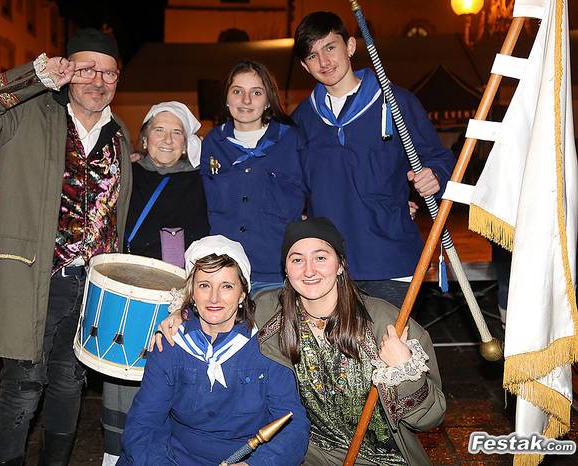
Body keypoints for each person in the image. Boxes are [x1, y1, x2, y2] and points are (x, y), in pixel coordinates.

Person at [0, 28, 132, 466]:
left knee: (70, 383)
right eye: (86, 68)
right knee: (23, 387)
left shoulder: (121, 135)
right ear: (67, 71)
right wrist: (34, 76)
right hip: (35, 277)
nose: (97, 80)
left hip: (92, 285)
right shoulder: (27, 114)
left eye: (108, 72)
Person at [155, 218, 445, 465]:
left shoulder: (385, 322)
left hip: (382, 458)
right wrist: (181, 317)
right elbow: (221, 306)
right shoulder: (269, 312)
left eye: (321, 257)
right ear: (286, 270)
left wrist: (403, 369)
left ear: (340, 265)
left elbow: (430, 418)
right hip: (309, 456)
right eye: (297, 259)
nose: (309, 270)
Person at [291, 12, 456, 306]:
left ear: (350, 46)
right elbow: (292, 186)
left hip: (389, 259)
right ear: (305, 65)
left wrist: (435, 175)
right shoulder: (302, 119)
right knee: (339, 353)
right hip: (328, 269)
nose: (324, 62)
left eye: (330, 47)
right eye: (313, 55)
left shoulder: (395, 102)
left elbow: (440, 159)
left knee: (391, 350)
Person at [120, 235, 309, 466]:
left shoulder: (266, 347)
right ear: (192, 292)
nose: (214, 298)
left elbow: (294, 425)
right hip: (174, 458)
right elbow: (144, 423)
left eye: (226, 286)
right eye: (204, 285)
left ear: (242, 294)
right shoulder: (170, 345)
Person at [102, 101, 210, 464]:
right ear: (144, 138)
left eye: (176, 131)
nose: (167, 139)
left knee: (168, 374)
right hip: (126, 286)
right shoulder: (126, 173)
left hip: (174, 291)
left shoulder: (198, 182)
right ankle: (114, 452)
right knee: (121, 372)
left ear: (186, 141)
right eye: (159, 130)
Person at [200, 60, 307, 294]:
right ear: (226, 99)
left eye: (256, 92)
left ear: (268, 100)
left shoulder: (292, 141)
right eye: (237, 91)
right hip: (225, 272)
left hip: (276, 274)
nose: (246, 101)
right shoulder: (211, 144)